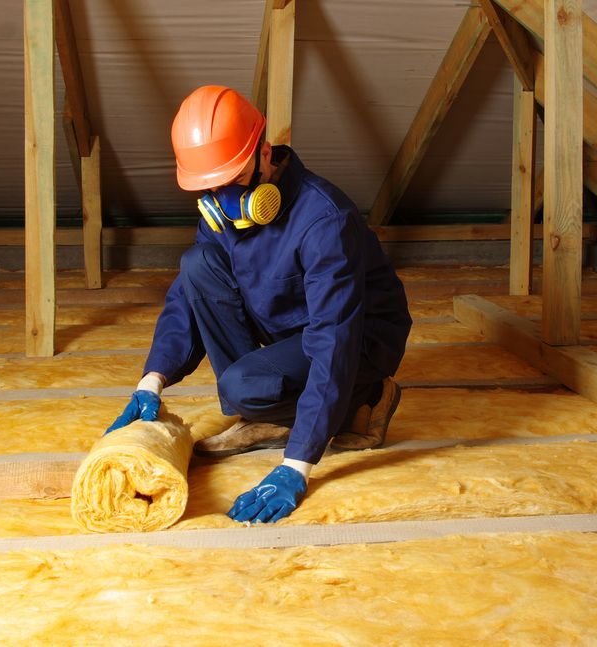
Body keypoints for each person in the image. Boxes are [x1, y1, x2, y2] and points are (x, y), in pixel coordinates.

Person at [106, 85, 412, 523]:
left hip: (358, 335)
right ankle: (266, 407)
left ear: (264, 154)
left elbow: (333, 336)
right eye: (208, 187)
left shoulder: (324, 219)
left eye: (230, 182)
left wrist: (297, 464)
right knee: (197, 264)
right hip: (288, 319)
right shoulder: (221, 208)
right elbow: (188, 297)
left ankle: (364, 399)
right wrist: (151, 381)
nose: (219, 198)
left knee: (241, 386)